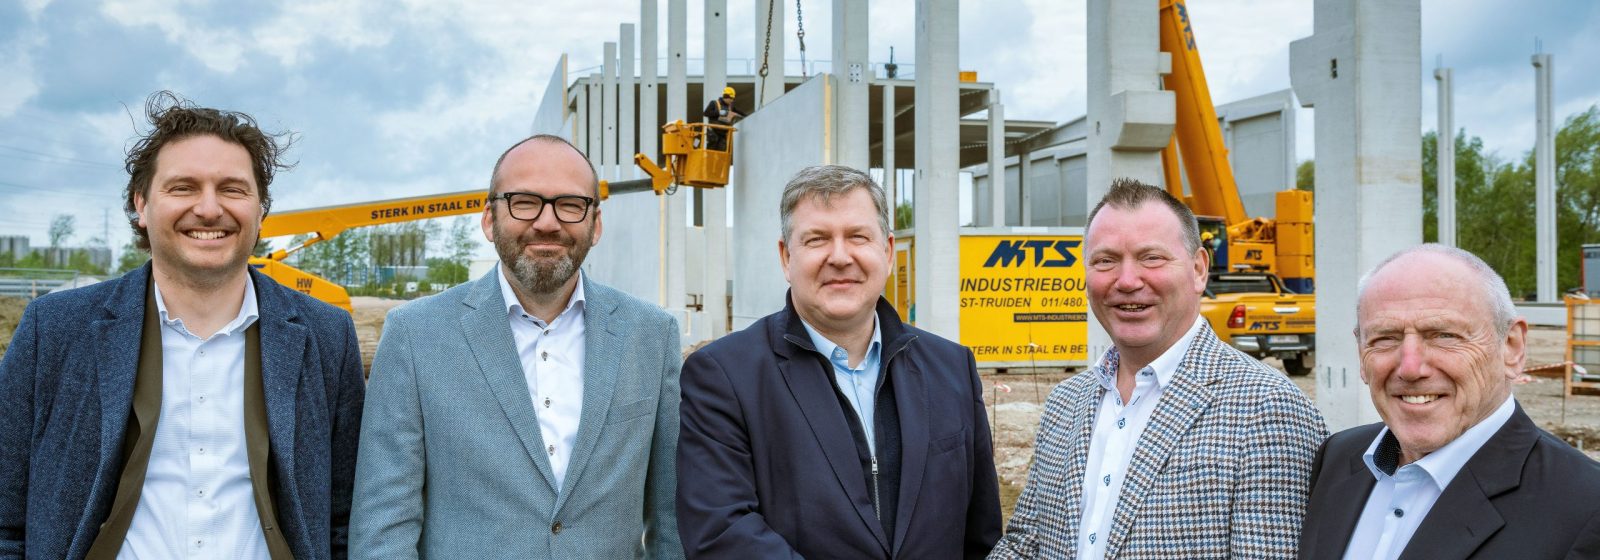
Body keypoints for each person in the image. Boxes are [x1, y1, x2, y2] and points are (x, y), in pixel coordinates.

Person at [0, 91, 365, 559]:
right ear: (142, 205)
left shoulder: (325, 335)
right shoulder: (54, 329)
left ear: (261, 210)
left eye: (232, 189)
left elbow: (344, 518)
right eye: (183, 187)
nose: (209, 209)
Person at [350, 134, 683, 559]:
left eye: (570, 204)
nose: (547, 222)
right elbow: (384, 526)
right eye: (524, 201)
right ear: (489, 219)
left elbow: (671, 518)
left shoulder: (651, 335)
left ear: (595, 224)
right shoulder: (415, 335)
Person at [676, 164, 1002, 559]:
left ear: (887, 251)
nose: (840, 256)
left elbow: (980, 533)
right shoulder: (725, 376)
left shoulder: (952, 368)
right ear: (786, 257)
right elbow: (722, 532)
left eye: (858, 236)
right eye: (817, 239)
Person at [990, 178, 1327, 559]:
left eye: (1151, 257)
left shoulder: (1269, 410)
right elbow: (1024, 545)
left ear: (1199, 270)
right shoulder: (1065, 401)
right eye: (1105, 261)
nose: (1127, 281)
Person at [1298, 244, 1600, 559]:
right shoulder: (1338, 459)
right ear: (1361, 354)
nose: (1410, 368)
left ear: (1512, 348)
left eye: (1444, 335)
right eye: (1385, 338)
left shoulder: (1587, 509)